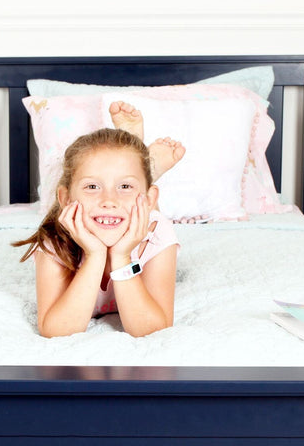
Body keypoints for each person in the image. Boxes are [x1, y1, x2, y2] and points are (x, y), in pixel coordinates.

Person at [14, 102, 184, 338]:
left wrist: (122, 257)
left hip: (141, 216)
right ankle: (140, 169)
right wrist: (94, 256)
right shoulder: (54, 239)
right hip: (117, 208)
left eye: (124, 186)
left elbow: (154, 329)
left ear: (149, 197)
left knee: (134, 208)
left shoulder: (157, 233)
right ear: (64, 198)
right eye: (92, 186)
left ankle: (145, 167)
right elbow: (55, 330)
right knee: (123, 204)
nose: (108, 199)